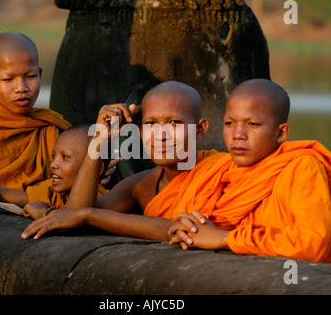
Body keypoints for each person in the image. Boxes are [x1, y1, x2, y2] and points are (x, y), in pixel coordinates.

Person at [166, 79, 331, 264]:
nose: (238, 135)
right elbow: (189, 225)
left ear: (281, 133)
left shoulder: (301, 168)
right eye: (229, 123)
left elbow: (311, 245)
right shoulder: (220, 170)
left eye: (253, 124)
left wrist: (225, 239)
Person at [21, 81, 226, 240]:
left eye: (174, 122)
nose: (161, 134)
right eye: (150, 123)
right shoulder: (140, 185)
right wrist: (99, 140)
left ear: (199, 129)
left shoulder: (221, 169)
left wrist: (89, 215)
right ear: (139, 130)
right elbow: (77, 215)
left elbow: (183, 228)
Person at [0, 31, 71, 190]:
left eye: (30, 76)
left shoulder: (51, 125)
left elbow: (73, 178)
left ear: (40, 74)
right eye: (8, 79)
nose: (21, 88)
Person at [0, 125, 108, 219]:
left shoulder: (104, 200)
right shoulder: (52, 192)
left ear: (97, 168)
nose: (54, 164)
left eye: (65, 157)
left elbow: (77, 218)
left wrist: (44, 214)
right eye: (53, 156)